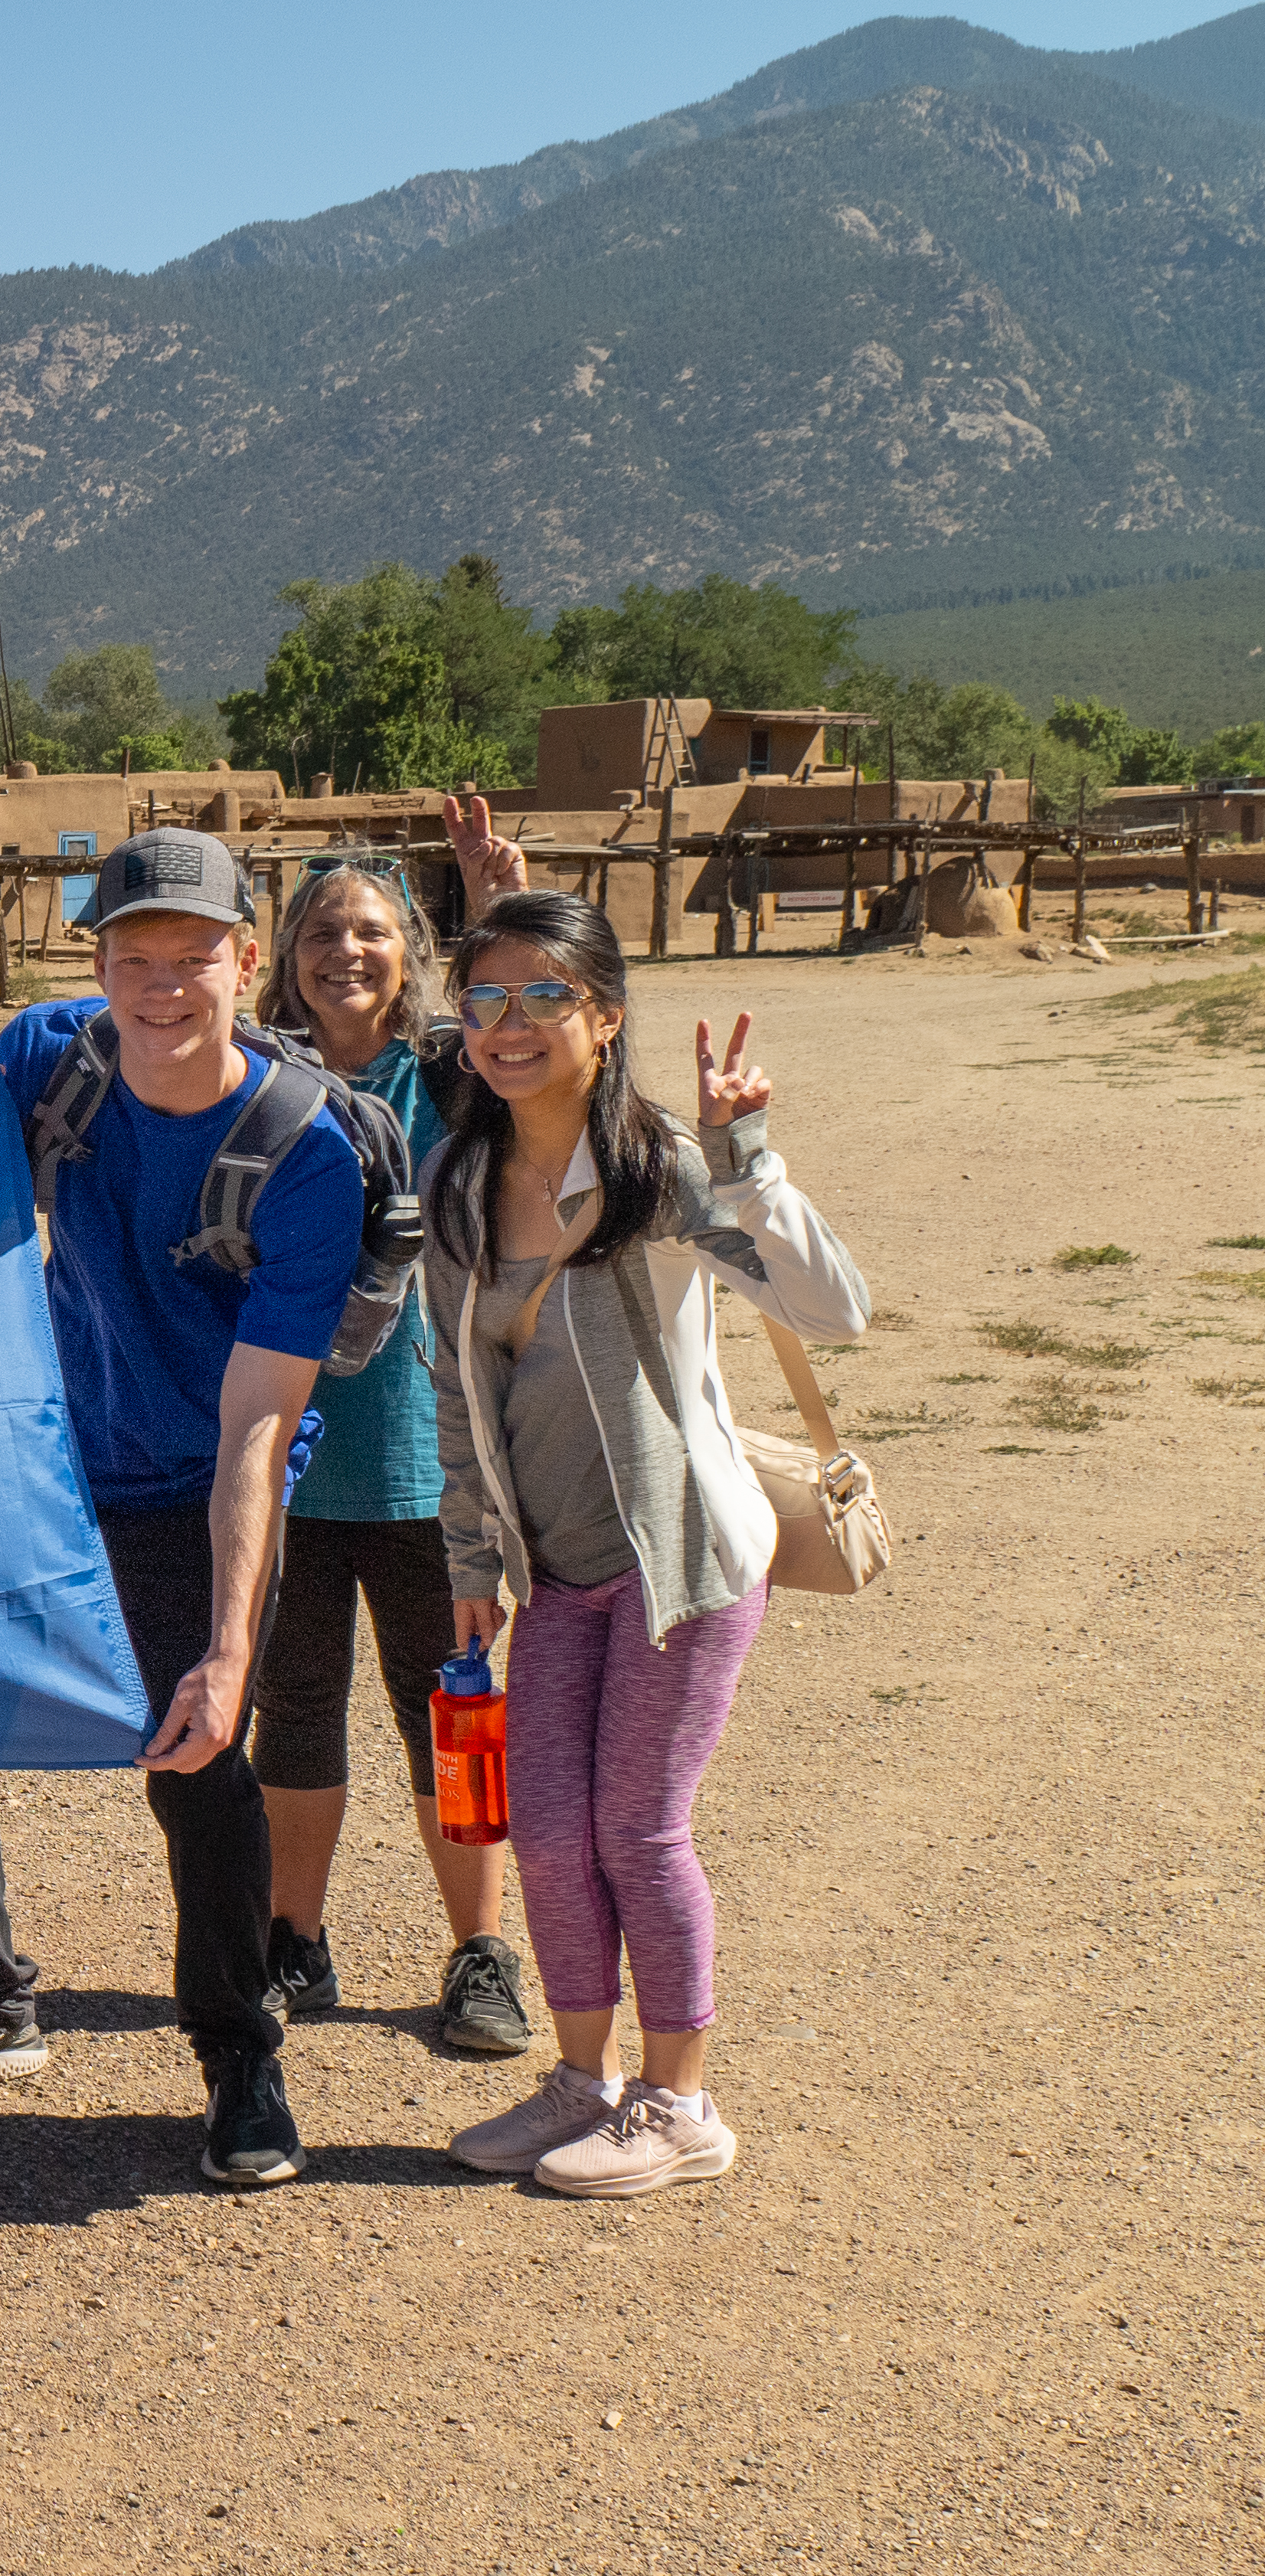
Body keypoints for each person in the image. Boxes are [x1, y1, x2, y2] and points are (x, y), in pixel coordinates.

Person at [0, 828, 359, 2189]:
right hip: (42, 1450)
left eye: (194, 957)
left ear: (249, 964)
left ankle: (241, 2054)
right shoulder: (49, 1056)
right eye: (134, 957)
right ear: (98, 965)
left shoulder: (305, 1156)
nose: (162, 987)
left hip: (197, 1481)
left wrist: (232, 1648)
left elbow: (259, 1423)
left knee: (199, 1756)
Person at [429, 892, 866, 2198]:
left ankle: (681, 2105)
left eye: (545, 997)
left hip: (682, 1563)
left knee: (638, 1828)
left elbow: (832, 1309)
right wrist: (470, 1566)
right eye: (486, 998)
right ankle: (584, 2078)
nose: (511, 1025)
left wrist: (751, 1158)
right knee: (550, 1835)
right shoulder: (454, 1181)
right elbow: (457, 1397)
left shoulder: (656, 1170)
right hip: (557, 1573)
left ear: (604, 1018)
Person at [244, 835, 533, 2055]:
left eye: (370, 932)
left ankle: (480, 1952)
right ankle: (289, 1944)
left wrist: (503, 906)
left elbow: (550, 1046)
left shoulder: (452, 1080)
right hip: (291, 1453)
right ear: (287, 963)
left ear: (409, 954)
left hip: (431, 1460)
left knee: (452, 1710)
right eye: (321, 933)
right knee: (295, 1703)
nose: (346, 952)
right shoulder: (254, 1082)